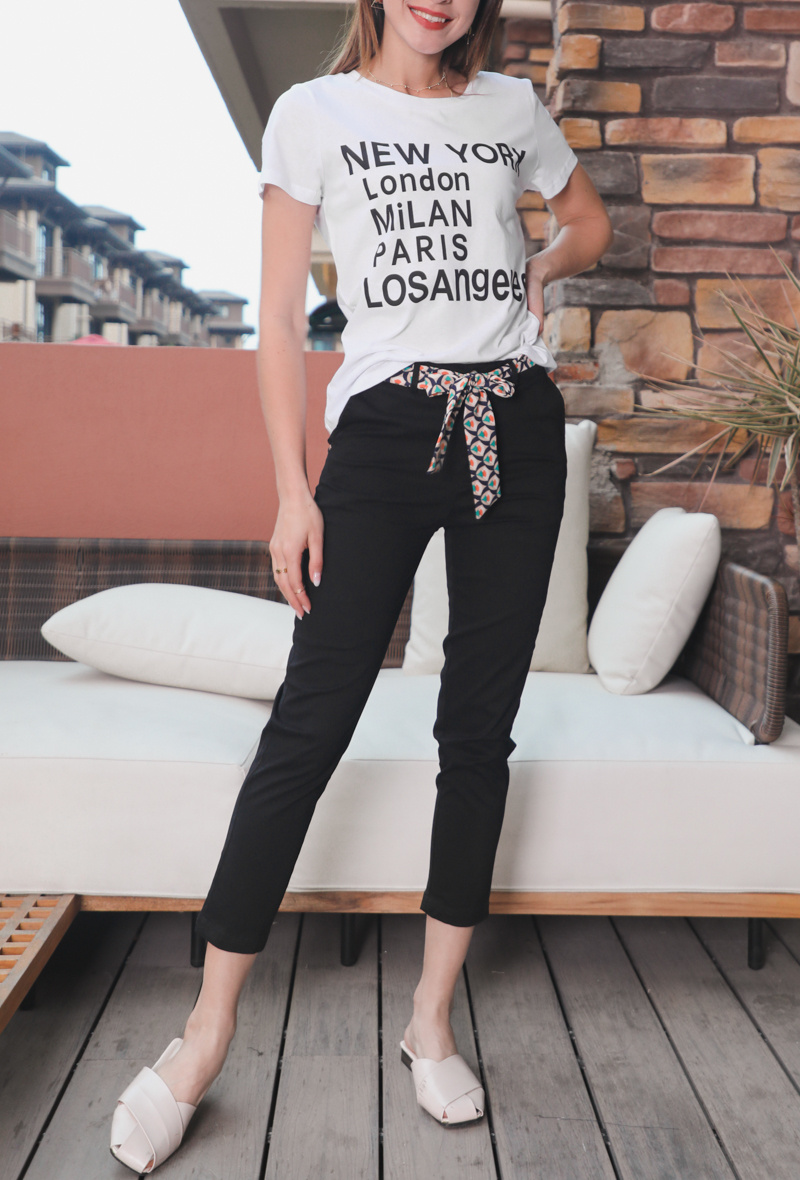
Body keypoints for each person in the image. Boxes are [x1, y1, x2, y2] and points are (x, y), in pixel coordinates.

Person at [109, 0, 613, 1169]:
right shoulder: (312, 113)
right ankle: (204, 1032)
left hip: (514, 431)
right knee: (310, 720)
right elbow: (279, 321)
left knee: (476, 731)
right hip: (383, 437)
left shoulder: (509, 108)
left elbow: (586, 219)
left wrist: (541, 261)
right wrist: (293, 491)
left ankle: (429, 1021)